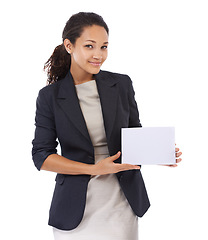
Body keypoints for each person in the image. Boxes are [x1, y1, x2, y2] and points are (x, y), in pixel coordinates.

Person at [32, 12, 182, 240]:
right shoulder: (49, 97)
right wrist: (94, 169)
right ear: (69, 46)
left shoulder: (121, 84)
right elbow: (41, 156)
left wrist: (155, 153)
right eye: (90, 46)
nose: (98, 55)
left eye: (104, 47)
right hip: (75, 205)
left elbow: (133, 133)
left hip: (120, 199)